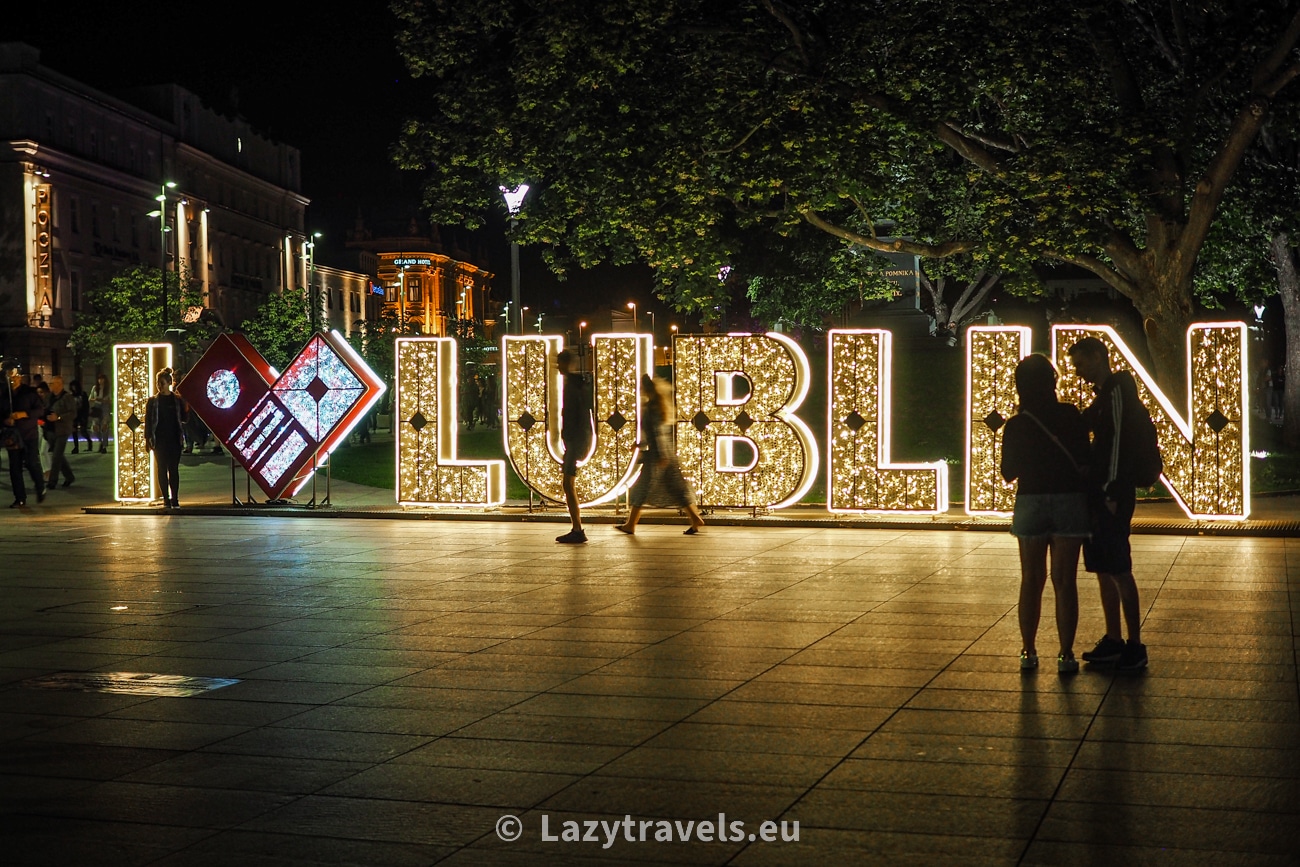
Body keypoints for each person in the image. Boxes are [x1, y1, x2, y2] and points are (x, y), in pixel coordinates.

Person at [1000, 355, 1091, 673]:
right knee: (1065, 581)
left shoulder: (1017, 424)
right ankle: (1066, 654)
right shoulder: (1070, 414)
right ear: (1053, 381)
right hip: (1069, 500)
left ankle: (1028, 651)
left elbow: (1008, 472)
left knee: (1031, 580)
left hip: (1031, 501)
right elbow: (1085, 458)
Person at [1067, 337, 1149, 671]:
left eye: (1080, 363)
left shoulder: (1117, 391)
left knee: (1118, 568)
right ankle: (1115, 639)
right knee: (1104, 567)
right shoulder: (1105, 395)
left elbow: (1118, 443)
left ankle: (1134, 644)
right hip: (1103, 491)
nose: (1077, 371)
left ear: (1098, 357)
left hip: (1112, 492)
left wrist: (1112, 489)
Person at [616, 375, 705, 536]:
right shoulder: (658, 406)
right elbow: (656, 433)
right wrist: (640, 444)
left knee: (643, 488)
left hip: (657, 455)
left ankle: (630, 525)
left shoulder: (651, 408)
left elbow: (655, 434)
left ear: (645, 389)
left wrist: (660, 454)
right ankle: (695, 518)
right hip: (666, 452)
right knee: (676, 488)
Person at [555, 349, 592, 544]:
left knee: (568, 484)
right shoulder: (577, 384)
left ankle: (577, 529)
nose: (558, 367)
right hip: (576, 439)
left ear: (567, 363)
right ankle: (576, 528)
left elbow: (576, 415)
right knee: (568, 484)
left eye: (560, 363)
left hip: (575, 440)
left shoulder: (572, 386)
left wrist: (570, 437)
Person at [145, 367, 187, 509]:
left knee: (173, 469)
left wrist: (186, 406)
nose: (159, 386)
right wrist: (147, 439)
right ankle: (166, 499)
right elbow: (148, 422)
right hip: (159, 440)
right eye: (158, 383)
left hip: (174, 439)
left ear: (169, 383)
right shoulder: (153, 401)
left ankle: (175, 498)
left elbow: (184, 419)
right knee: (161, 469)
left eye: (162, 383)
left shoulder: (176, 400)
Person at [6, 373, 46, 506]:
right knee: (15, 468)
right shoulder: (5, 393)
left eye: (14, 377)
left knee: (31, 462)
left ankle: (40, 487)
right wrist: (6, 420)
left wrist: (24, 414)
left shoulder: (29, 392)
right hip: (12, 435)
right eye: (10, 378)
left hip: (29, 434)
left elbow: (40, 410)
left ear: (19, 377)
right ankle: (20, 497)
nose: (12, 380)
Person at [43, 375, 77, 489]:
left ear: (60, 385)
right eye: (50, 383)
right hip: (50, 429)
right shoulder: (49, 397)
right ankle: (69, 476)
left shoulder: (67, 397)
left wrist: (58, 417)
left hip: (62, 430)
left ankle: (52, 481)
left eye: (52, 384)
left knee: (56, 456)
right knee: (58, 456)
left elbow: (73, 413)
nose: (51, 386)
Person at [89, 373, 111, 453]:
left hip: (105, 407)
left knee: (104, 427)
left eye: (102, 379)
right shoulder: (95, 388)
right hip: (97, 407)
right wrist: (95, 399)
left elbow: (110, 400)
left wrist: (104, 400)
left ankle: (104, 446)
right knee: (95, 427)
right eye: (99, 379)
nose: (100, 381)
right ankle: (101, 442)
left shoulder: (108, 388)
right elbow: (90, 398)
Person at [69, 379, 91, 453]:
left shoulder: (83, 394)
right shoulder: (71, 395)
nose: (74, 388)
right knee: (74, 431)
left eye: (75, 387)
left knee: (83, 431)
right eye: (72, 387)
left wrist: (85, 415)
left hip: (82, 414)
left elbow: (86, 406)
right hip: (74, 415)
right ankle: (76, 447)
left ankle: (89, 442)